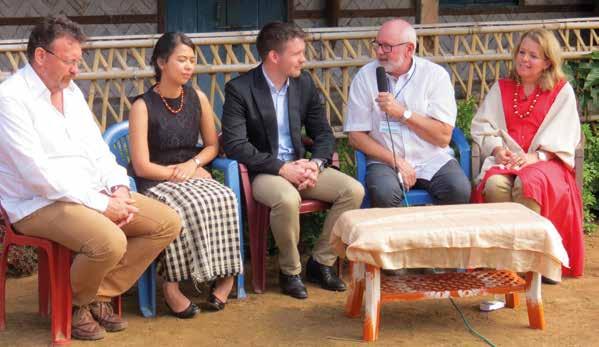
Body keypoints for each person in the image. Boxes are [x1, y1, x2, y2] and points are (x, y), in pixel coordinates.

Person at [0, 16, 180, 340]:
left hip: (90, 193)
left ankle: (93, 295)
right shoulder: (11, 99)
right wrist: (101, 204)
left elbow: (98, 152)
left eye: (77, 62)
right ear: (41, 57)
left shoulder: (72, 94)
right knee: (110, 241)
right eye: (70, 62)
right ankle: (74, 305)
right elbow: (37, 175)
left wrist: (120, 189)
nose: (76, 71)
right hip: (38, 203)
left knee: (166, 222)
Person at [222, 22, 364, 300]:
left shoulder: (303, 84)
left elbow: (323, 132)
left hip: (301, 166)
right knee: (287, 199)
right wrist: (282, 168)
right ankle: (290, 271)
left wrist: (316, 164)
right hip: (265, 172)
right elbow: (236, 145)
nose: (303, 59)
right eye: (297, 53)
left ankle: (321, 263)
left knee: (353, 191)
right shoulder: (239, 90)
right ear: (274, 56)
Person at [129, 32, 242, 317]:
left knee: (224, 195)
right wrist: (176, 174)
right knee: (185, 207)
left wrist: (193, 165)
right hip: (156, 179)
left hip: (189, 171)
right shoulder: (142, 106)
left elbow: (212, 145)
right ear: (161, 62)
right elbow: (141, 165)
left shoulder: (197, 98)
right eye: (182, 60)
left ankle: (226, 276)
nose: (189, 66)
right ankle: (171, 285)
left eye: (192, 61)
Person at [471, 29, 583, 280]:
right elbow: (482, 126)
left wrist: (534, 158)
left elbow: (565, 135)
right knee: (495, 184)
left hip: (546, 163)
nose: (524, 59)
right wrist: (498, 150)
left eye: (533, 55)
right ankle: (505, 263)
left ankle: (534, 262)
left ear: (547, 62)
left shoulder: (561, 91)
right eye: (522, 52)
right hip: (507, 161)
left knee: (528, 183)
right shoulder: (502, 88)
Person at [344, 19, 471, 207]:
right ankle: (397, 237)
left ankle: (434, 236)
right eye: (377, 45)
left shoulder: (435, 76)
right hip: (385, 161)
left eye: (387, 47)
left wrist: (403, 114)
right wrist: (395, 160)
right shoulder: (365, 77)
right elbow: (356, 136)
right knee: (384, 192)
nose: (379, 52)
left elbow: (443, 137)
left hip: (431, 158)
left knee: (458, 189)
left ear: (409, 49)